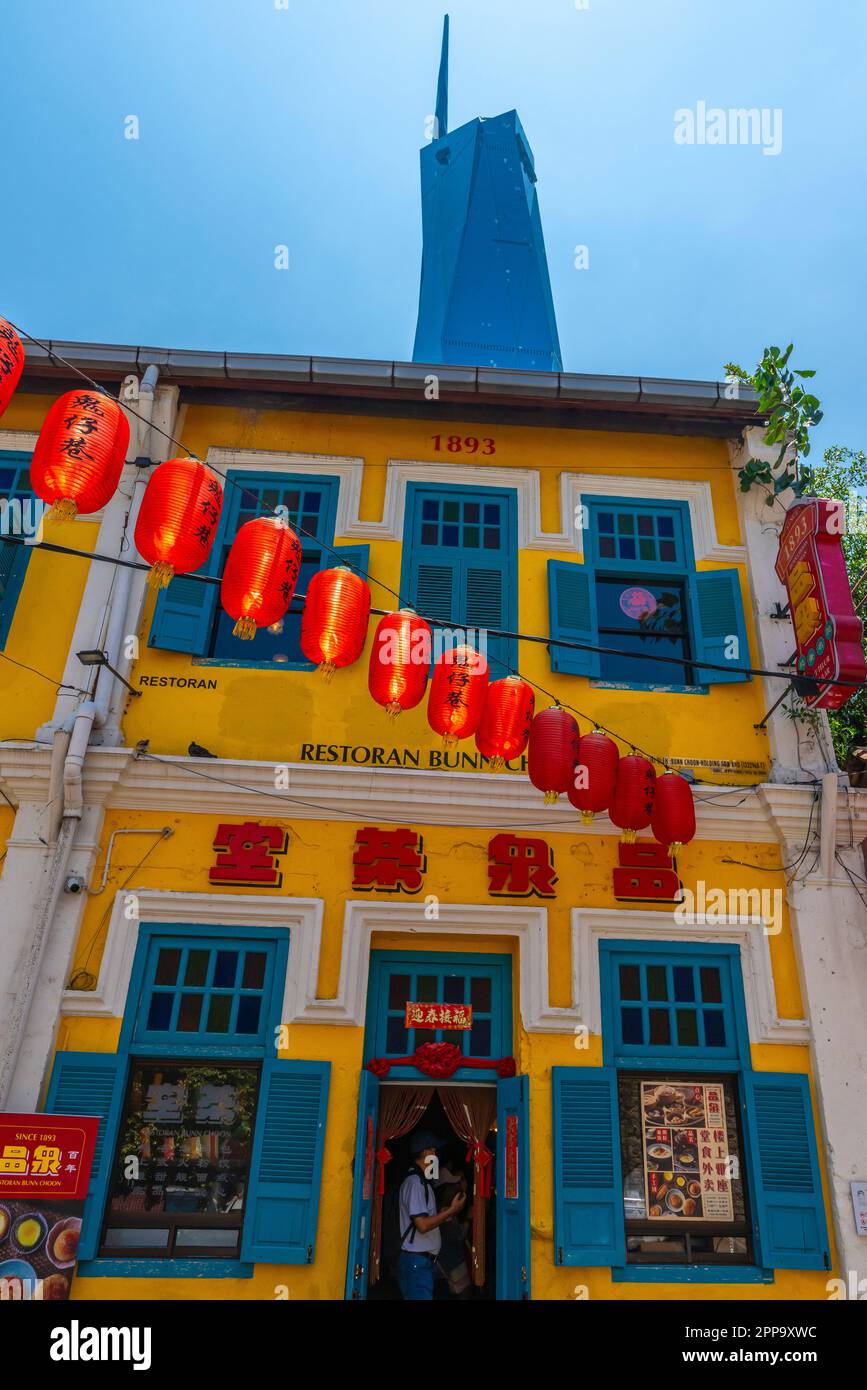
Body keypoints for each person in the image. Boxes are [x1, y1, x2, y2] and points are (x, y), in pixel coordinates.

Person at [397, 1130, 466, 1301]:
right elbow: (422, 1225)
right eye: (434, 1151)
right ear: (425, 1153)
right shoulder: (415, 1183)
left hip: (422, 1263)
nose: (436, 1155)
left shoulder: (423, 1182)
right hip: (417, 1263)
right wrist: (451, 1211)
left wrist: (444, 1213)